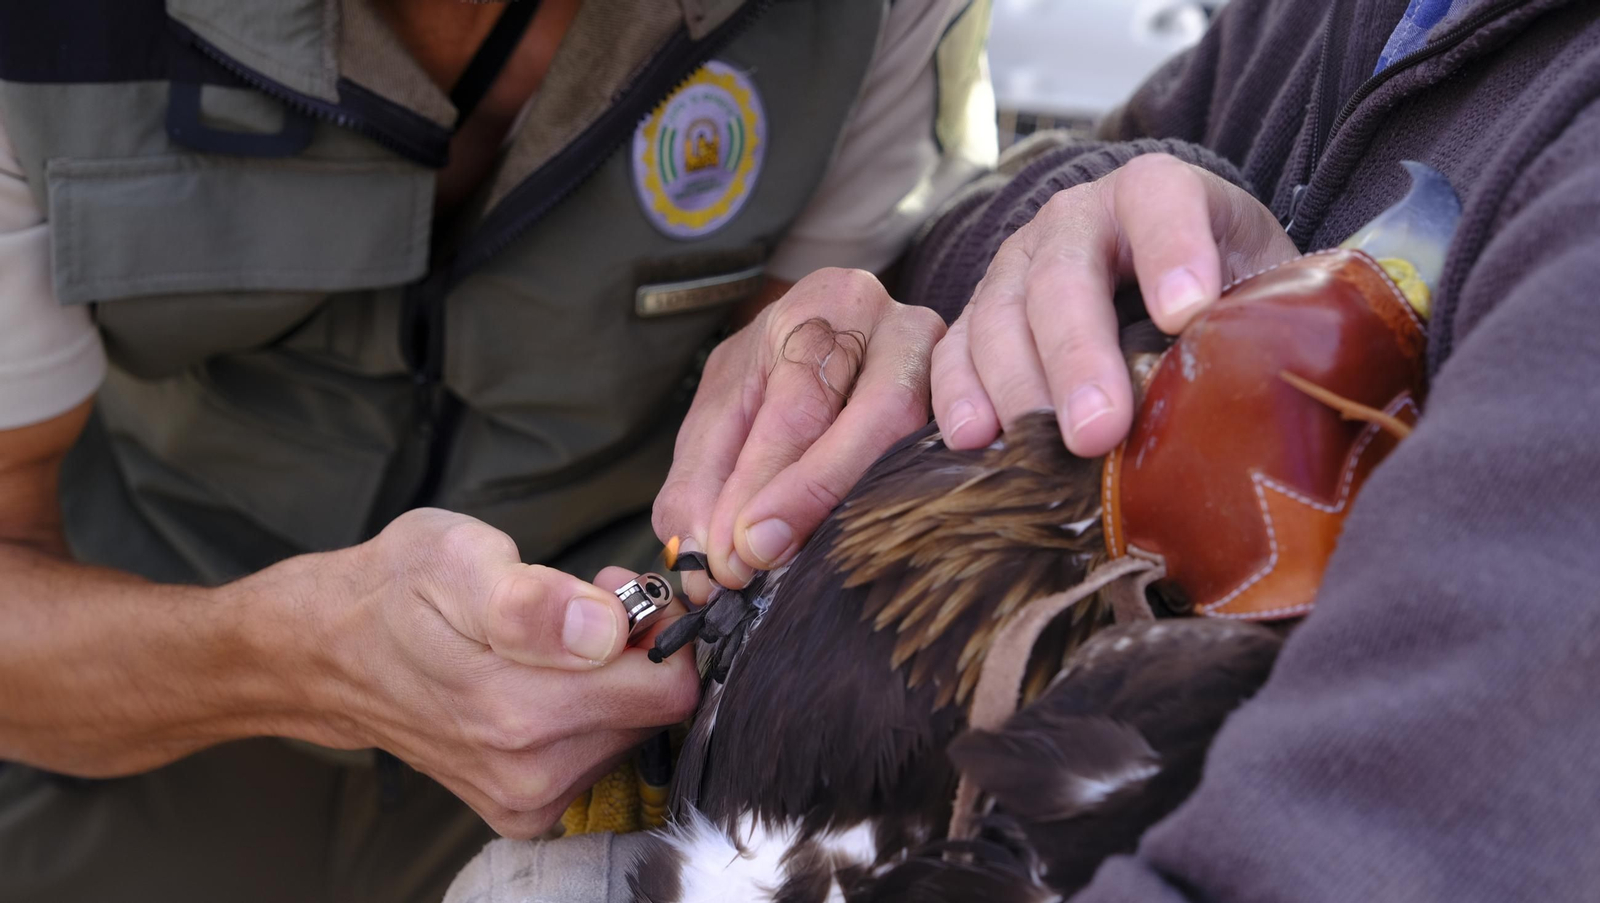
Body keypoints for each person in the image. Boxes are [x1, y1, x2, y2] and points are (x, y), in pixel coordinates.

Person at [458, 0, 1600, 898]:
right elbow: (957, 236)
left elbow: (1407, 837)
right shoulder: (1344, 17)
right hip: (749, 751)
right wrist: (1040, 252)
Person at [0, 1, 996, 899]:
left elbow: (827, 402)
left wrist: (866, 358)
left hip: (612, 775)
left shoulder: (878, 17)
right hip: (117, 717)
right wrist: (294, 660)